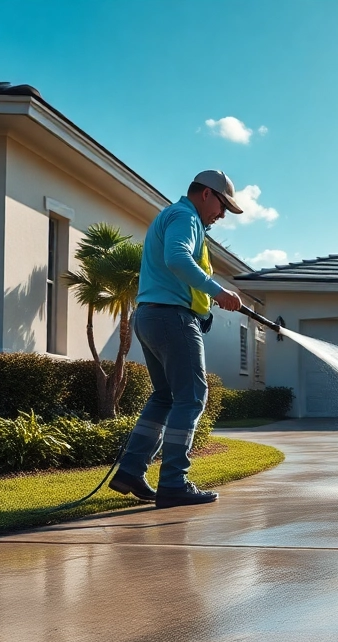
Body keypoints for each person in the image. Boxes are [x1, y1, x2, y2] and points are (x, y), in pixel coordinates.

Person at [109, 170, 245, 508]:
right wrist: (218, 290)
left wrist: (208, 298)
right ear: (206, 195)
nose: (222, 214)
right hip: (172, 318)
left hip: (150, 316)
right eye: (222, 205)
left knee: (165, 397)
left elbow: (177, 270)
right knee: (192, 397)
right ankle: (173, 482)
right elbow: (177, 259)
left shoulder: (172, 216)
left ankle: (130, 472)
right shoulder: (185, 217)